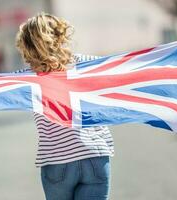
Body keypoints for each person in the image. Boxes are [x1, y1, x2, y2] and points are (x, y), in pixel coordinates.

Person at [15, 13, 114, 200]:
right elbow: (129, 66)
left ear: (26, 45)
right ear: (59, 36)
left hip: (56, 160)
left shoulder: (25, 78)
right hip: (95, 154)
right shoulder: (88, 63)